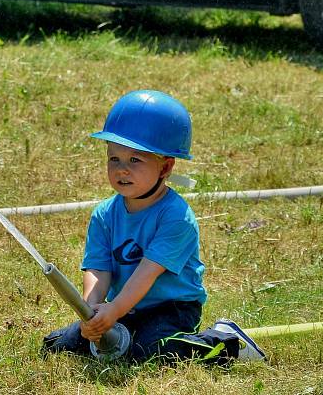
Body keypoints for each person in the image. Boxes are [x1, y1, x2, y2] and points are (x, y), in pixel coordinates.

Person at [42, 90, 266, 364]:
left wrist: (113, 311)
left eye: (135, 160)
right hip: (124, 306)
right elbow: (99, 269)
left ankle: (226, 342)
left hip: (171, 308)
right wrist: (91, 312)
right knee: (58, 345)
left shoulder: (176, 216)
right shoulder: (104, 214)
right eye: (114, 159)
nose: (122, 169)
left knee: (148, 353)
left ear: (165, 167)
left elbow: (146, 274)